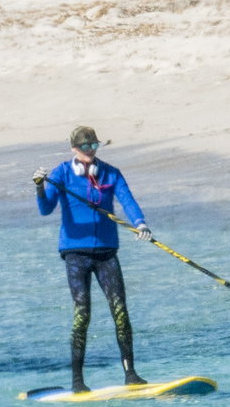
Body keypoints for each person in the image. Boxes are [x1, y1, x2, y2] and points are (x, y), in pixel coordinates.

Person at [33, 125, 152, 393]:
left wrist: (141, 224)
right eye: (85, 147)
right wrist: (40, 187)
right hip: (75, 253)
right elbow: (45, 209)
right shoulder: (62, 173)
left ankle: (131, 374)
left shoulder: (110, 172)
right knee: (82, 313)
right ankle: (77, 381)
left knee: (120, 310)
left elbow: (127, 200)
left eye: (94, 146)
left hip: (107, 252)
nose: (90, 151)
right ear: (74, 148)